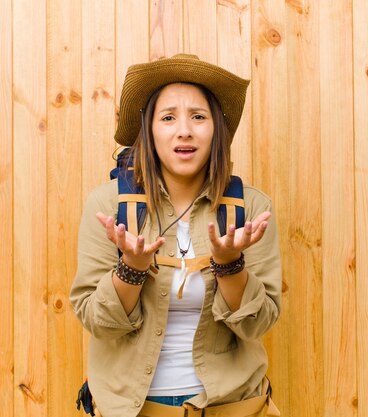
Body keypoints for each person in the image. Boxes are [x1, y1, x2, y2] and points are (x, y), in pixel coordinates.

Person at [70, 53, 282, 417]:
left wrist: (231, 266)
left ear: (216, 128)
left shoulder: (250, 208)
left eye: (198, 117)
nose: (184, 130)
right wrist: (131, 269)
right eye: (168, 117)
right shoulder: (107, 206)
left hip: (234, 407)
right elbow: (97, 322)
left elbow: (256, 325)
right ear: (148, 131)